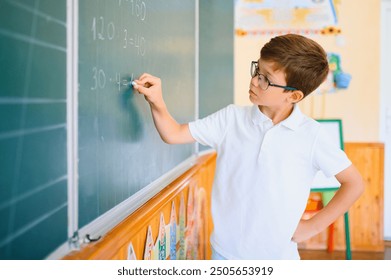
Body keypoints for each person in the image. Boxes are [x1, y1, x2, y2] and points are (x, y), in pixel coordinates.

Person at [132, 34, 364, 260]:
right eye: (257, 71)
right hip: (224, 255)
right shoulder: (231, 119)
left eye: (266, 78)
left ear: (293, 96)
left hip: (279, 259)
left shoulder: (312, 135)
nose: (254, 81)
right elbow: (173, 134)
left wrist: (312, 226)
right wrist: (157, 101)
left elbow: (354, 183)